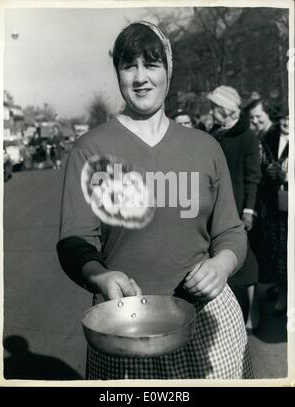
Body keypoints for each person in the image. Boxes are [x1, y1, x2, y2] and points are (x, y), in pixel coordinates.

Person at [57, 21, 252, 380]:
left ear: (169, 69)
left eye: (152, 64)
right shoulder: (90, 150)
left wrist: (221, 266)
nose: (141, 77)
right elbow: (75, 241)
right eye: (129, 65)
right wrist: (99, 276)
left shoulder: (205, 147)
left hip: (207, 321)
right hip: (125, 325)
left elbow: (230, 231)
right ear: (117, 72)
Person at [207, 85, 261, 334]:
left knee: (246, 260)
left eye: (214, 107)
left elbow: (253, 177)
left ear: (226, 110)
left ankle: (254, 310)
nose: (211, 111)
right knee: (219, 257)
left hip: (238, 206)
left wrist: (248, 210)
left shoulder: (247, 136)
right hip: (216, 204)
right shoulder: (215, 133)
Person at [247, 98, 287, 313]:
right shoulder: (262, 136)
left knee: (281, 250)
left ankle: (284, 293)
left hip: (280, 201)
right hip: (269, 202)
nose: (255, 121)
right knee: (274, 250)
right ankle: (280, 288)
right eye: (252, 117)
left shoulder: (277, 134)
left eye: (259, 116)